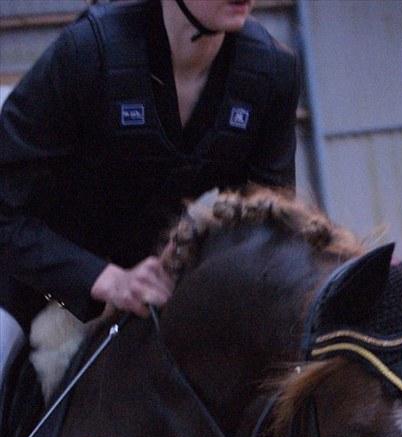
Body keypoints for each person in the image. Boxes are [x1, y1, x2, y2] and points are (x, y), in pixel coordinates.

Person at [0, 0, 300, 383]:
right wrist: (107, 280)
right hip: (39, 283)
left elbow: (271, 226)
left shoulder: (274, 71)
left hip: (162, 293)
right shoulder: (87, 52)